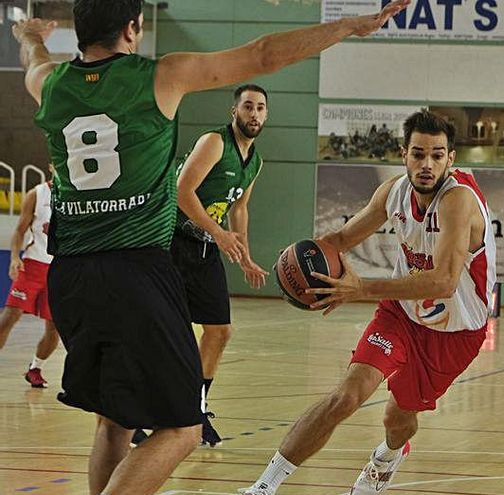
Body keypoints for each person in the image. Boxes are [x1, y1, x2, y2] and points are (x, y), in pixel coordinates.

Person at [12, 1, 410, 494]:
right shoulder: (161, 75)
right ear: (133, 29)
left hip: (69, 274)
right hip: (135, 268)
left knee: (114, 420)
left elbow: (34, 60)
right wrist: (350, 25)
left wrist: (29, 34)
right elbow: (264, 54)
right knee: (183, 428)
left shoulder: (51, 84)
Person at [240, 109, 496, 495]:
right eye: (418, 153)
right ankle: (264, 486)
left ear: (451, 159)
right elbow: (341, 239)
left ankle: (387, 458)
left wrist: (360, 289)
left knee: (398, 418)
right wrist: (302, 257)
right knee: (345, 396)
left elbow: (444, 281)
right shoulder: (393, 192)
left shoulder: (457, 202)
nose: (427, 164)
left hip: (455, 332)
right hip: (401, 314)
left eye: (437, 155)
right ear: (403, 153)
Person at [172, 84, 271, 446]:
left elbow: (239, 208)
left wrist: (244, 256)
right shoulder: (214, 142)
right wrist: (218, 234)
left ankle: (196, 411)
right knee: (166, 333)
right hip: (169, 242)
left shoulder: (255, 161)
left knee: (219, 331)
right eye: (248, 106)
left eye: (260, 108)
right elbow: (181, 192)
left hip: (205, 246)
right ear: (235, 111)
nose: (254, 114)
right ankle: (137, 413)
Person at [0, 175, 60, 388]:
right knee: (10, 316)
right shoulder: (36, 194)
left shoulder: (76, 197)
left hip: (59, 270)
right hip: (34, 263)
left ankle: (35, 368)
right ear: (51, 166)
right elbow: (19, 230)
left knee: (55, 328)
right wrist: (15, 257)